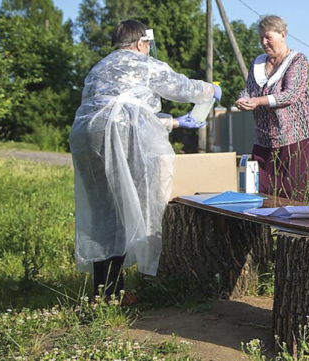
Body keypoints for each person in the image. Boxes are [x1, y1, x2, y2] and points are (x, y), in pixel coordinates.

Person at [70, 20, 220, 303]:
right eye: (148, 45)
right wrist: (210, 91)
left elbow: (131, 111)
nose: (149, 50)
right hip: (116, 136)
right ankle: (121, 288)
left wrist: (174, 122)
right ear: (140, 43)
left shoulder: (100, 67)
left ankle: (105, 292)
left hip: (85, 137)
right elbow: (181, 87)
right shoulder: (141, 64)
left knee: (105, 212)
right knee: (134, 204)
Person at [235, 15, 309, 204]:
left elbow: (291, 94)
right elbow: (249, 89)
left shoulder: (297, 61)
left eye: (268, 37)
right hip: (264, 142)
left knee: (296, 199)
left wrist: (258, 101)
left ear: (282, 35)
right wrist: (243, 99)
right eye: (261, 38)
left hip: (295, 140)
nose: (264, 42)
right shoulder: (257, 63)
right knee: (260, 197)